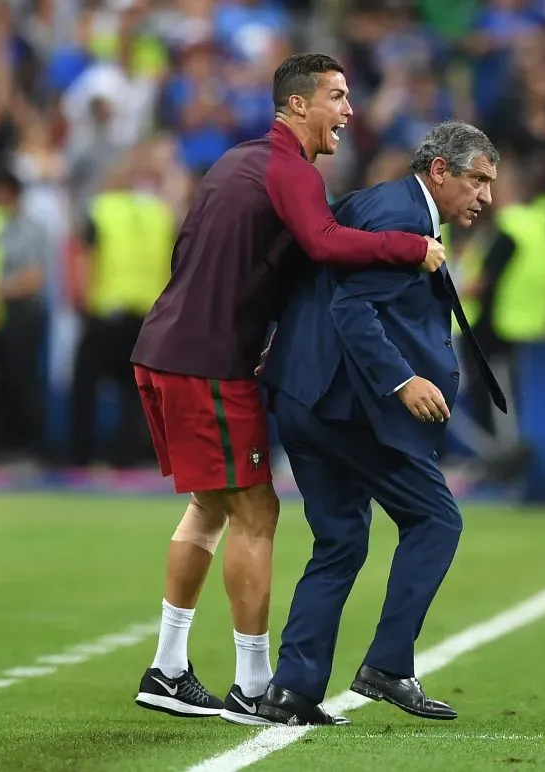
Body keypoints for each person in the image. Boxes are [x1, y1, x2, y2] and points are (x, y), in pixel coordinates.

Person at [130, 52, 446, 723]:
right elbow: (325, 241)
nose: (348, 110)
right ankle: (252, 682)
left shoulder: (236, 162)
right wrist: (409, 249)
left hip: (166, 349)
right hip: (209, 364)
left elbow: (204, 258)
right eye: (336, 96)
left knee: (210, 507)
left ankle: (167, 667)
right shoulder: (286, 167)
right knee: (257, 513)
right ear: (296, 104)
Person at [258, 121, 507, 726]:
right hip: (347, 406)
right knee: (435, 519)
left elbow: (313, 267)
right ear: (440, 171)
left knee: (340, 541)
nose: (487, 197)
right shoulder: (403, 216)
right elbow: (353, 306)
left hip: (305, 396)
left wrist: (282, 338)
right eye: (479, 180)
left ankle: (291, 690)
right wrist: (403, 379)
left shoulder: (378, 201)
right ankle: (389, 666)